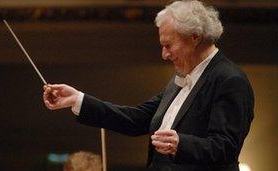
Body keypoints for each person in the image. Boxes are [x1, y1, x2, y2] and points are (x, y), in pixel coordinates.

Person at [43, 0, 254, 170]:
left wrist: (181, 143)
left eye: (168, 45)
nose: (164, 54)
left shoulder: (230, 79)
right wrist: (78, 99)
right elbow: (135, 119)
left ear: (195, 38)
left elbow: (226, 148)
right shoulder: (180, 78)